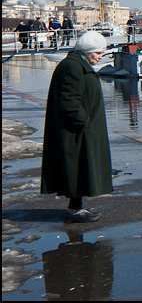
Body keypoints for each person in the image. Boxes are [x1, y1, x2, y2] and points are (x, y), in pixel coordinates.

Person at [40, 30, 113, 222]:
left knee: (78, 169)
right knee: (76, 168)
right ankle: (74, 210)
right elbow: (69, 101)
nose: (100, 57)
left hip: (80, 129)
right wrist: (83, 121)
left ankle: (76, 208)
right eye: (98, 53)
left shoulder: (76, 64)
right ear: (88, 51)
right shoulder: (73, 67)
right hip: (76, 131)